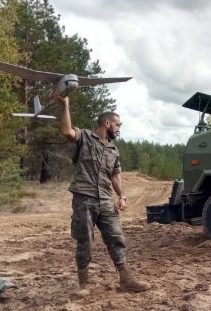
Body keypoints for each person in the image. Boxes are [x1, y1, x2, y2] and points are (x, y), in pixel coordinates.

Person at [55, 92, 150, 296]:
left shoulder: (113, 150)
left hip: (106, 199)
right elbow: (66, 131)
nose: (119, 129)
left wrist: (121, 196)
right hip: (84, 197)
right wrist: (65, 105)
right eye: (118, 125)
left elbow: (116, 176)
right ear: (107, 123)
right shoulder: (86, 137)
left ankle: (126, 279)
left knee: (116, 237)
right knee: (85, 240)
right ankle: (83, 285)